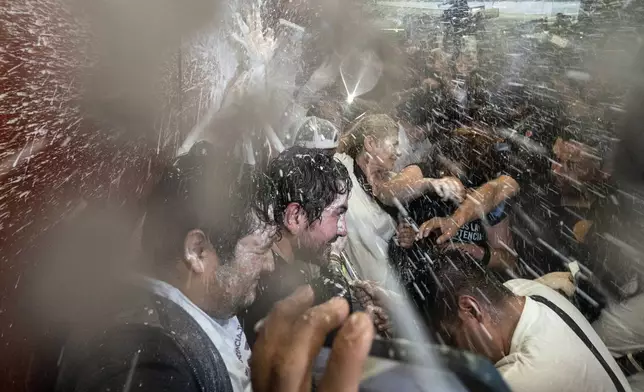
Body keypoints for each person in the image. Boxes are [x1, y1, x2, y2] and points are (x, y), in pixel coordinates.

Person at [55, 141, 277, 392]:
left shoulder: (206, 297)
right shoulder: (147, 362)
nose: (270, 265)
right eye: (260, 249)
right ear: (197, 251)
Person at [427, 251, 632, 392]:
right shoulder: (522, 290)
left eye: (452, 338)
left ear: (471, 309)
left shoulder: (522, 377)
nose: (460, 352)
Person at [335, 113, 464, 283]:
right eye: (394, 144)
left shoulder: (393, 181)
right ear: (370, 143)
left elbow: (393, 195)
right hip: (351, 283)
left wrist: (405, 237)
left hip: (385, 288)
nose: (399, 152)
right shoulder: (342, 170)